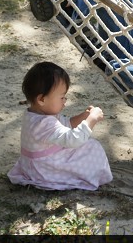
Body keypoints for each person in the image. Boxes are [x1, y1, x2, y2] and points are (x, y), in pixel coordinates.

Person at [7, 61, 112, 190]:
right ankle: (93, 175)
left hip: (35, 166)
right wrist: (91, 120)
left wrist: (83, 116)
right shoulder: (43, 123)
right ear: (42, 99)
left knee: (88, 146)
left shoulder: (33, 115)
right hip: (44, 171)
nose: (65, 102)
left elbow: (65, 124)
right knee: (91, 147)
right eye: (62, 97)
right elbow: (74, 140)